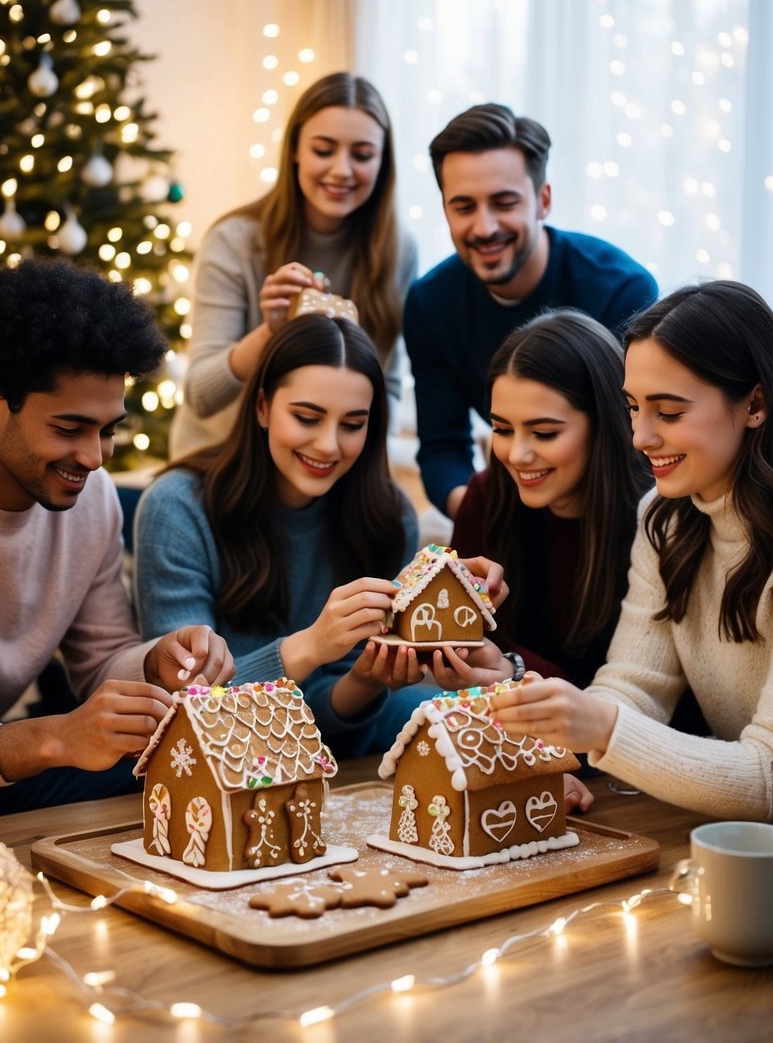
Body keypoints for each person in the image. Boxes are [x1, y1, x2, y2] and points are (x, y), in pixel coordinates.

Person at [0, 258, 235, 825]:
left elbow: (100, 659)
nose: (95, 458)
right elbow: (51, 739)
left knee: (147, 787)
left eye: (107, 430)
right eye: (69, 429)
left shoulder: (91, 498)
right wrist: (56, 737)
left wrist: (156, 662)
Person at [135, 314, 503, 757]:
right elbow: (185, 707)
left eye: (352, 424)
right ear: (262, 406)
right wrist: (307, 647)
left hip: (336, 740)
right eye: (308, 417)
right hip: (217, 754)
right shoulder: (176, 508)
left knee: (432, 706)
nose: (329, 445)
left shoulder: (388, 515)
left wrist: (366, 679)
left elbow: (333, 716)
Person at [489, 280, 773, 820]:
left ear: (755, 403)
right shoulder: (664, 519)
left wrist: (603, 728)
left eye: (667, 413)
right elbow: (634, 685)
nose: (640, 436)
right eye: (633, 407)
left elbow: (767, 779)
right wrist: (567, 750)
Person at [404, 102, 658, 518]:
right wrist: (483, 518)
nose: (484, 228)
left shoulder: (622, 289)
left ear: (543, 200)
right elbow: (442, 447)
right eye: (464, 207)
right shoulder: (429, 304)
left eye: (504, 203)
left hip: (616, 510)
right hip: (510, 504)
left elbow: (640, 443)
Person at [170, 72, 417, 457]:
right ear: (295, 151)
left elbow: (390, 383)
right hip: (222, 464)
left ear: (383, 162)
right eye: (324, 150)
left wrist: (364, 463)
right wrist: (270, 332)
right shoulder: (235, 241)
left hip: (329, 465)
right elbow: (201, 394)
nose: (342, 170)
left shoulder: (396, 250)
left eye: (363, 155)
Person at [445, 309, 651, 689]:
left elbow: (643, 701)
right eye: (503, 429)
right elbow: (467, 645)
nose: (518, 454)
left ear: (605, 423)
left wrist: (516, 669)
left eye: (543, 433)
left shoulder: (655, 519)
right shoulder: (486, 497)